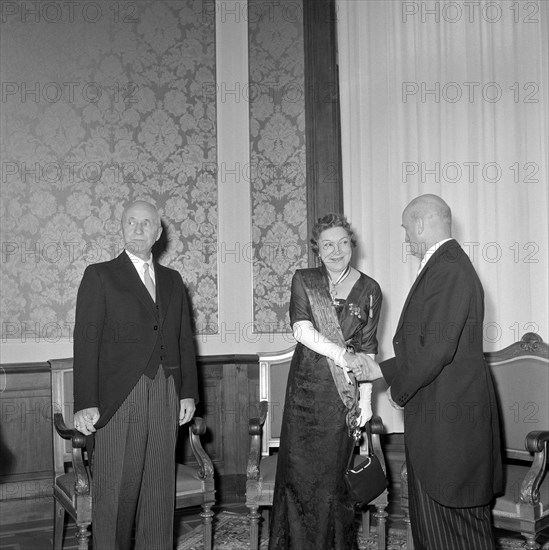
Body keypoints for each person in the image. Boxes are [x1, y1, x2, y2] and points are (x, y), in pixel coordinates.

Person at [349, 194, 502, 550]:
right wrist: (381, 370)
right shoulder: (446, 265)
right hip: (441, 426)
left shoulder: (448, 268)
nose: (405, 238)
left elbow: (435, 349)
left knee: (459, 532)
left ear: (419, 225)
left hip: (451, 430)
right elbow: (425, 343)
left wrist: (399, 390)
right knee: (437, 532)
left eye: (405, 229)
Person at [72, 200, 199, 550]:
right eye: (132, 222)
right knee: (115, 492)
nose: (139, 229)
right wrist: (85, 402)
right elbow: (86, 342)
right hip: (119, 396)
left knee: (159, 489)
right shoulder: (100, 275)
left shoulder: (174, 281)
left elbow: (183, 340)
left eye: (147, 224)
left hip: (166, 392)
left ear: (158, 233)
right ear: (122, 227)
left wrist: (187, 392)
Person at [269, 213, 382, 550]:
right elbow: (301, 329)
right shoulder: (304, 279)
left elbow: (369, 351)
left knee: (334, 482)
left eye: (342, 243)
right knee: (299, 476)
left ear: (352, 246)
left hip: (341, 397)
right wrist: (343, 355)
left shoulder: (370, 289)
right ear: (316, 249)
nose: (336, 251)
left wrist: (366, 403)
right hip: (305, 391)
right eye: (327, 245)